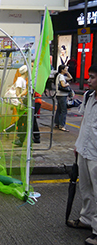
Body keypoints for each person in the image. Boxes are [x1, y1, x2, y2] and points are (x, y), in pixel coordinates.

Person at [66, 64, 97, 245]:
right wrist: (77, 145)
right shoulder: (88, 96)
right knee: (85, 188)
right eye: (89, 77)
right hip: (85, 150)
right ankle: (86, 219)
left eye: (92, 77)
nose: (89, 80)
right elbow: (85, 121)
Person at [13, 65, 28, 146]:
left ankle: (20, 138)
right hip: (21, 103)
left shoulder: (23, 80)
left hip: (22, 102)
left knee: (22, 120)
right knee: (21, 120)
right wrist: (21, 102)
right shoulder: (20, 80)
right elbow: (17, 93)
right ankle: (19, 137)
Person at [54, 64, 72, 132]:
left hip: (59, 95)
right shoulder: (61, 76)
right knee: (64, 110)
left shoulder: (60, 75)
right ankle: (62, 125)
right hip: (62, 95)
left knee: (59, 110)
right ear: (62, 70)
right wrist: (67, 84)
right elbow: (63, 85)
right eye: (65, 69)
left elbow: (70, 78)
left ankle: (57, 123)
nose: (66, 70)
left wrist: (67, 72)